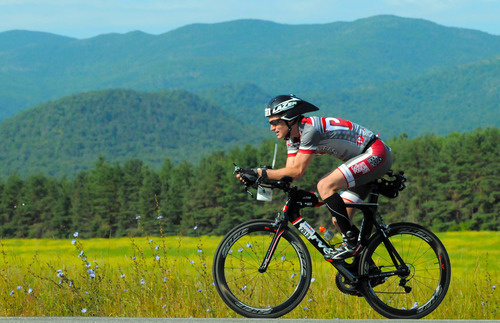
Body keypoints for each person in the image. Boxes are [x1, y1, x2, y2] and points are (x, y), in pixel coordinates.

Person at [237, 94, 393, 261]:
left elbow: (297, 171)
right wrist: (261, 179)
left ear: (289, 118)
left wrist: (260, 172)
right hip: (361, 161)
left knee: (325, 186)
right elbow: (290, 172)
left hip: (375, 153)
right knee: (339, 221)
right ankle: (366, 269)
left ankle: (352, 244)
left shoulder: (310, 130)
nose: (271, 128)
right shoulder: (292, 138)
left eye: (275, 122)